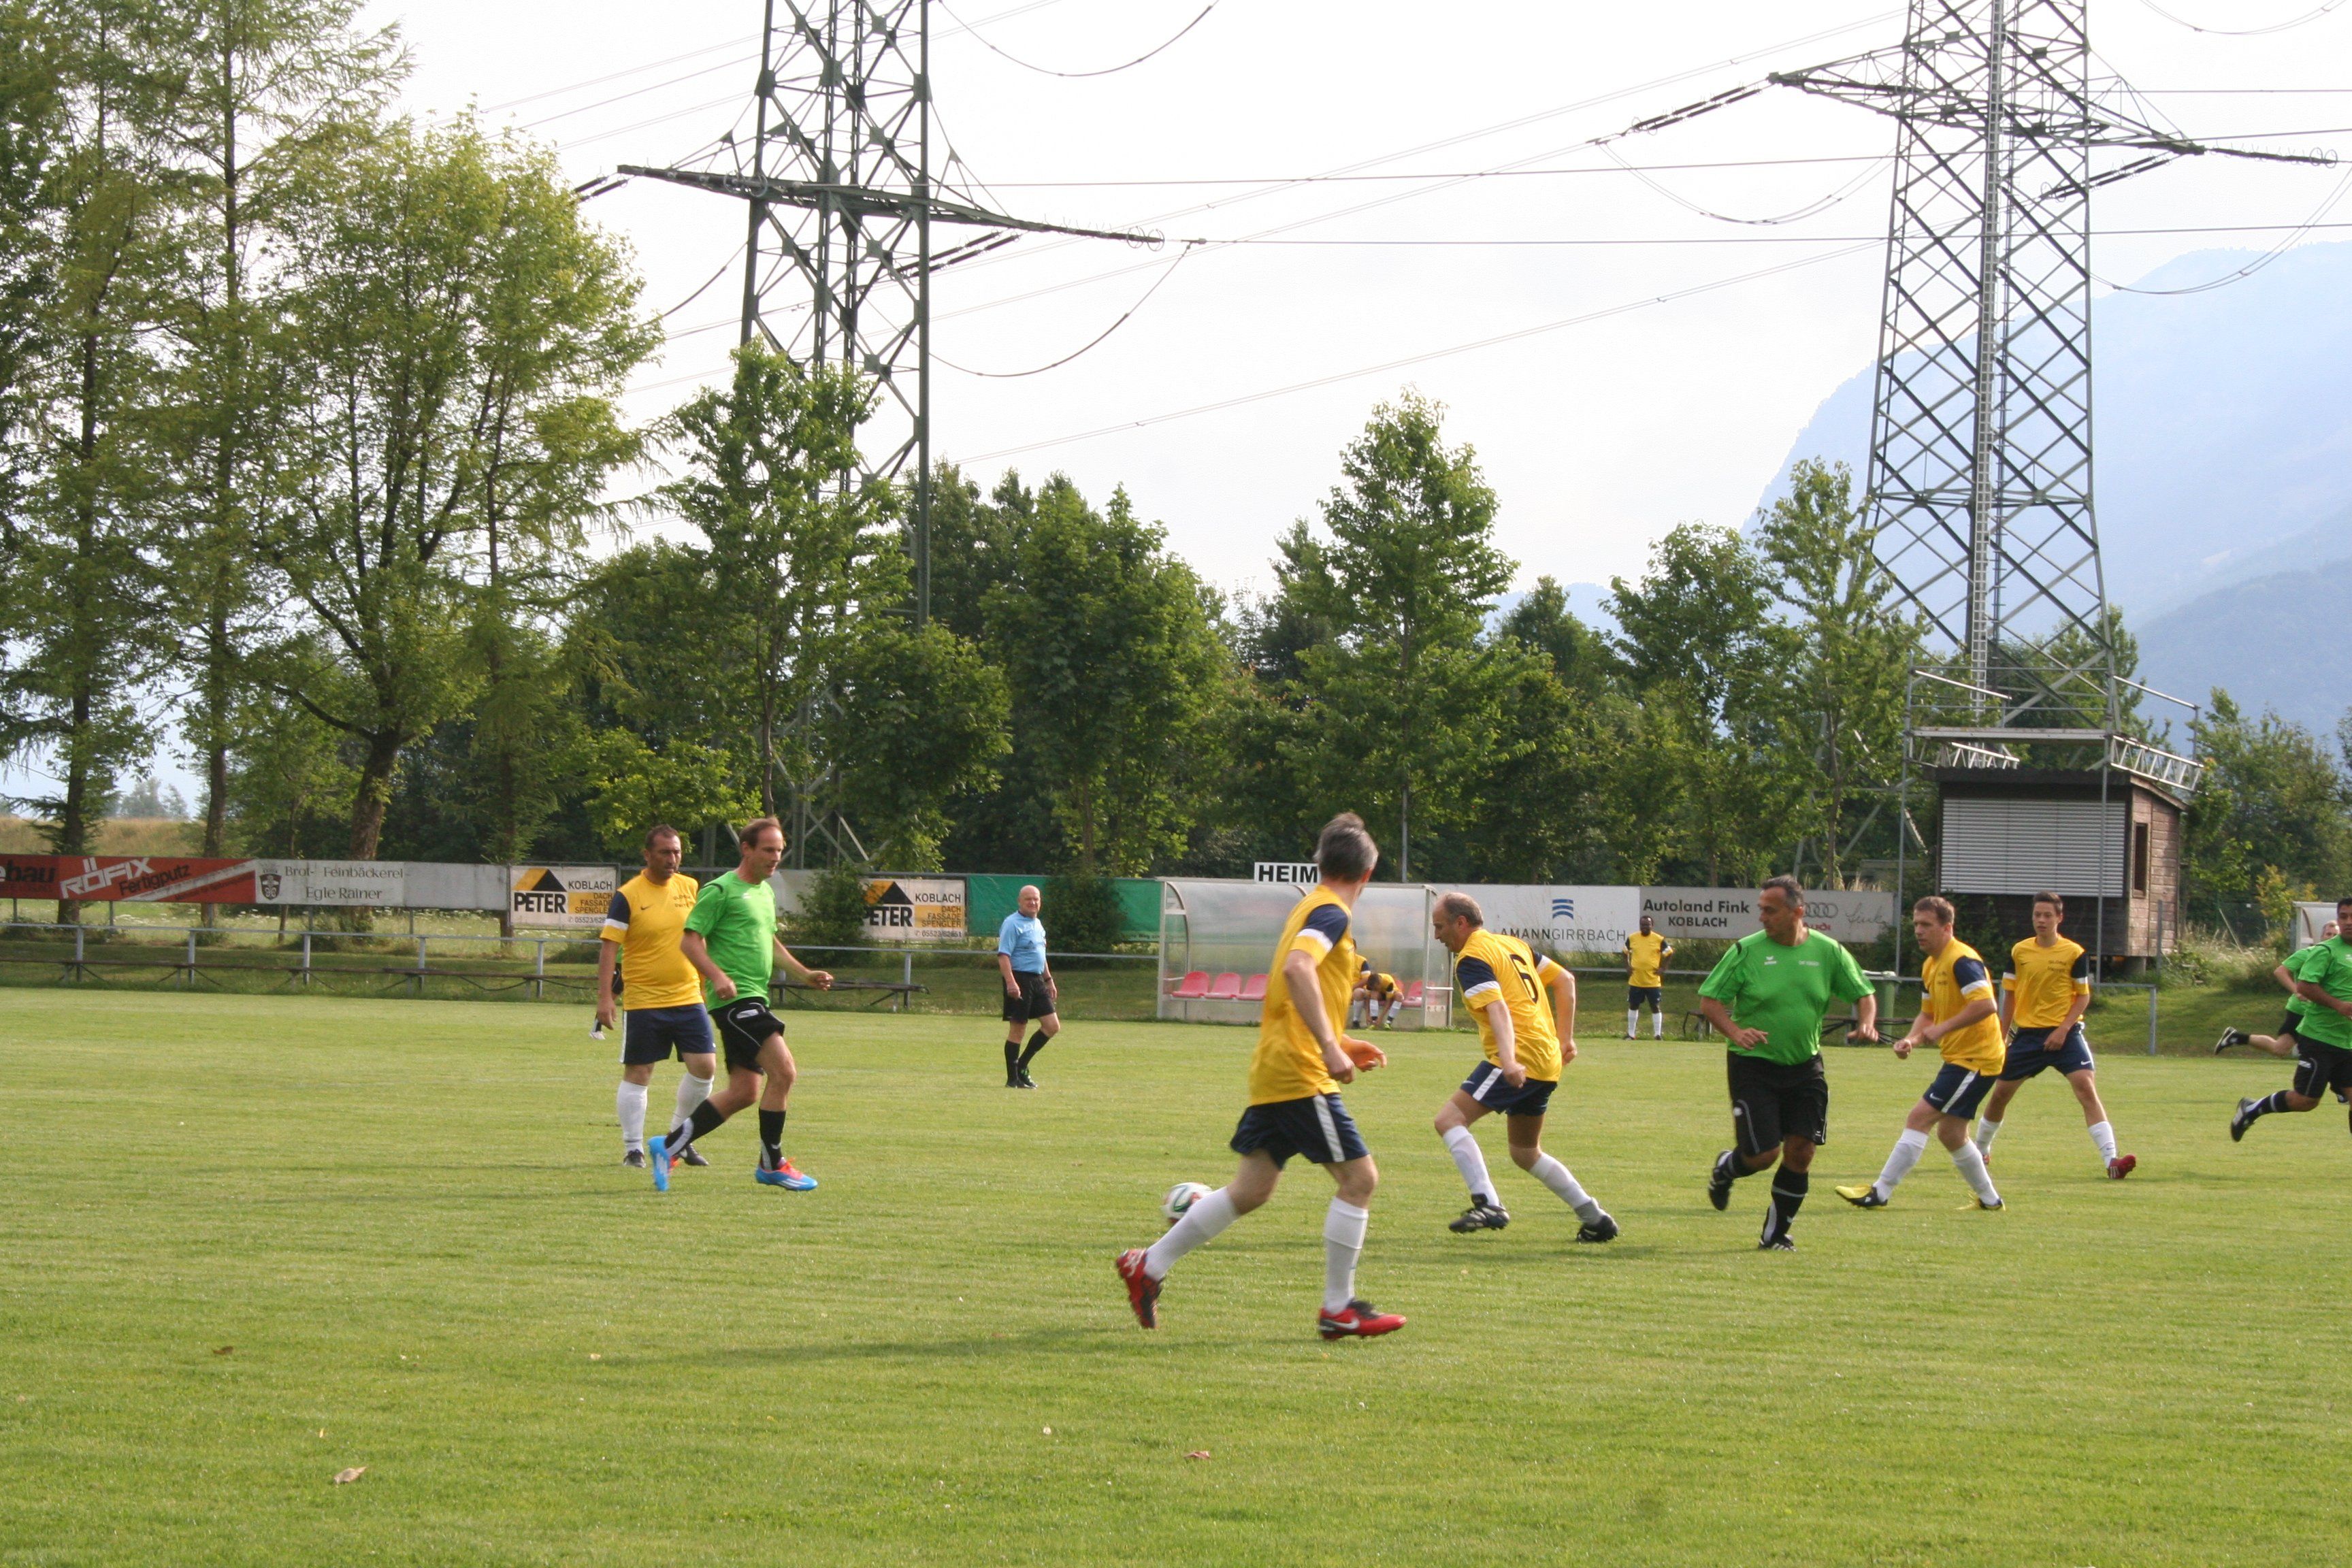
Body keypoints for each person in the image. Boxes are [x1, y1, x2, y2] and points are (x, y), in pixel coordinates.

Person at [1116, 813, 1405, 1340]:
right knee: (1360, 1180)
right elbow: (1298, 970)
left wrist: (1342, 1042)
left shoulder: (1308, 906)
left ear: (1321, 863)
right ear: (1368, 873)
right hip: (1300, 1072)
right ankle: (1338, 1308)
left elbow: (1298, 989)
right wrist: (1328, 1048)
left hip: (1276, 1067)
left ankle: (1148, 1265)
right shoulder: (1331, 913)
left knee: (1251, 1190)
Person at [647, 818, 834, 1192]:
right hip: (736, 1001)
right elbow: (690, 941)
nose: (776, 857)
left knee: (745, 1092)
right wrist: (717, 976)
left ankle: (668, 1146)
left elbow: (770, 942)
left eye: (779, 850)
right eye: (768, 849)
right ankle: (772, 1163)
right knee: (784, 1072)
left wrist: (803, 974)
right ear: (746, 849)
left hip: (754, 998)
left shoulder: (764, 892)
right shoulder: (720, 890)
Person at [1699, 877, 1878, 1250]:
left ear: (1798, 911)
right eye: (1761, 909)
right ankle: (1727, 1168)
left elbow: (1864, 993)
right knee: (1764, 1155)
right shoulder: (1746, 951)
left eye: (1771, 910)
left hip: (1805, 1066)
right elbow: (1710, 1002)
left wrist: (1867, 1023)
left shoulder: (1828, 952)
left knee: (1801, 1152)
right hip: (1754, 1065)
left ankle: (1776, 1234)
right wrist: (1736, 1032)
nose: (1762, 917)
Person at [1428, 892, 1616, 1242]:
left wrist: (1510, 1060)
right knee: (1526, 1152)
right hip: (1546, 1059)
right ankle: (1596, 1219)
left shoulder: (1472, 958)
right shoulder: (1514, 945)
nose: (1437, 935)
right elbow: (1566, 981)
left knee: (1449, 1121)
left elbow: (1498, 1008)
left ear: (1461, 923)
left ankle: (1488, 1204)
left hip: (1520, 1056)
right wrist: (1565, 1039)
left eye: (1439, 927)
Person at [1836, 897, 2006, 1213]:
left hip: (1977, 1060)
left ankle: (1880, 1192)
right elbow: (1927, 1015)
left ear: (1947, 928)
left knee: (1919, 1118)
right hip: (1961, 1058)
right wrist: (1911, 1040)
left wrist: (1943, 1029)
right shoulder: (1930, 965)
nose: (1918, 931)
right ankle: (1991, 1200)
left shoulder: (1963, 961)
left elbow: (1986, 1005)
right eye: (1916, 924)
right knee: (1952, 1134)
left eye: (1926, 925)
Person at [1970, 892, 2134, 1179]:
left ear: (2060, 918)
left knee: (2086, 1089)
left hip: (2066, 1034)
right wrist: (2001, 1036)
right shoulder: (2020, 951)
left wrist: (2062, 1030)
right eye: (2037, 915)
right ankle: (1981, 1150)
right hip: (2028, 1036)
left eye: (2048, 915)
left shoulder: (2074, 953)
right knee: (2000, 1095)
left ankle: (2112, 1160)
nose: (2042, 920)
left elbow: (2082, 997)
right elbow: (2009, 995)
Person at [597, 825, 714, 1171]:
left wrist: (706, 981)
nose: (672, 859)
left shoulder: (690, 887)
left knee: (705, 1068)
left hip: (688, 995)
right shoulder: (628, 895)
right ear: (647, 855)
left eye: (676, 852)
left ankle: (677, 1139)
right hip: (644, 1000)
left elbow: (698, 937)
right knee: (639, 1072)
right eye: (664, 852)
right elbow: (609, 948)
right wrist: (605, 998)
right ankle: (633, 1148)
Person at [2231, 897, 2352, 1142]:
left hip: (2348, 1042)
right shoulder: (2326, 951)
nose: (2348, 922)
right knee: (2306, 1101)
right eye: (2344, 917)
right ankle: (2252, 1108)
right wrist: (2338, 1005)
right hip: (2320, 1039)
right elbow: (2305, 986)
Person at [2217, 920, 2338, 1060]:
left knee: (2281, 1048)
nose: (2332, 937)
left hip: (2326, 1010)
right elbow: (2281, 971)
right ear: (2322, 937)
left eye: (2335, 935)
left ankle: (2236, 1037)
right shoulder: (2309, 954)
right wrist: (2297, 991)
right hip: (2302, 1009)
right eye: (2329, 934)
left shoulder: (2342, 958)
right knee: (2288, 1048)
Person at [997, 884, 1058, 1088]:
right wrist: (1011, 983)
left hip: (1037, 979)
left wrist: (1048, 979)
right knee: (1019, 1029)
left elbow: (1041, 954)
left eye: (1036, 899)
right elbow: (1003, 956)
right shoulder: (1012, 923)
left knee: (1052, 1026)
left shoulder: (1038, 924)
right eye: (1028, 899)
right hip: (1019, 979)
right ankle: (1012, 1079)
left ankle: (1022, 1065)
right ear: (1020, 901)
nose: (1033, 902)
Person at [1624, 915, 1673, 1039]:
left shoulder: (1658, 939)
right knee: (1633, 1006)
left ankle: (1657, 1034)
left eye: (1647, 925)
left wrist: (1663, 968)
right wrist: (1627, 966)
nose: (1645, 927)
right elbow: (1625, 952)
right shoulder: (1633, 938)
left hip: (1652, 981)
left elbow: (1669, 953)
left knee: (1655, 1006)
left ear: (1652, 925)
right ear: (1640, 925)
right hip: (1636, 980)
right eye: (1643, 925)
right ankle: (1631, 1034)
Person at [1352, 963, 1403, 1031]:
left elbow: (1388, 1001)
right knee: (1374, 994)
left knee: (1399, 996)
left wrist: (1381, 1018)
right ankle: (1374, 1022)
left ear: (1380, 984)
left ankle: (1388, 1023)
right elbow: (1367, 998)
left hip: (1391, 993)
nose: (1375, 989)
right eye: (1374, 988)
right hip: (1381, 994)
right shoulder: (1371, 983)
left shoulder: (1388, 982)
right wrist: (1367, 1015)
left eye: (1376, 988)